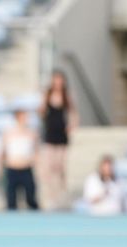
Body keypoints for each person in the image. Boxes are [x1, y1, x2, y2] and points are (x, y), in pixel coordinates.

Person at [37, 70, 77, 209]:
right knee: (49, 168)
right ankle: (51, 197)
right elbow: (41, 112)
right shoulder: (47, 95)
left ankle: (61, 195)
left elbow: (73, 111)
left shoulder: (66, 96)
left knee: (60, 167)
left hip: (61, 136)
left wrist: (72, 125)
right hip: (50, 134)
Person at [0, 108, 40, 211]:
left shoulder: (32, 133)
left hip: (26, 168)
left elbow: (37, 151)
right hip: (12, 168)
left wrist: (37, 164)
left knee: (30, 198)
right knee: (11, 200)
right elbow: (2, 151)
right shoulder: (8, 133)